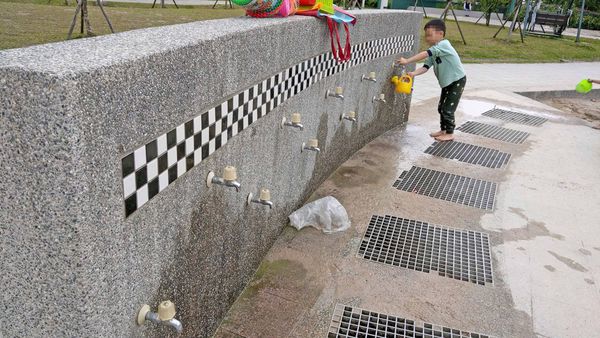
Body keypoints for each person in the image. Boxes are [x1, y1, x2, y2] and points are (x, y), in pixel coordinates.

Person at [396, 19, 466, 142]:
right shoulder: (435, 49)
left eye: (429, 35)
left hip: (457, 80)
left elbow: (425, 54)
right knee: (441, 107)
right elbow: (425, 67)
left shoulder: (444, 45)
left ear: (440, 34)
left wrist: (407, 61)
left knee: (447, 109)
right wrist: (413, 74)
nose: (427, 38)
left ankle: (450, 133)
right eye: (426, 35)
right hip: (447, 82)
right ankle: (443, 130)